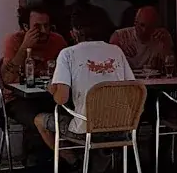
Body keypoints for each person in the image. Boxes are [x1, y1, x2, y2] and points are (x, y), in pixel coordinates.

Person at [36, 10, 136, 154]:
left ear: (74, 32)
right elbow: (131, 89)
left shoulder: (68, 54)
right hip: (121, 128)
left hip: (87, 130)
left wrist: (53, 89)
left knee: (40, 120)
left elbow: (61, 99)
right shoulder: (116, 51)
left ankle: (74, 163)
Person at [0, 6, 68, 145]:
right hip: (18, 99)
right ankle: (69, 159)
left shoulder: (57, 40)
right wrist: (24, 47)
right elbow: (7, 79)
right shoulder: (14, 41)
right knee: (39, 119)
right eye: (37, 27)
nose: (43, 31)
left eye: (46, 26)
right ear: (26, 27)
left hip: (50, 95)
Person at [110, 6, 174, 73]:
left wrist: (167, 47)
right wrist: (119, 52)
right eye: (142, 25)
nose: (144, 30)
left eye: (150, 26)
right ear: (135, 23)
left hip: (153, 81)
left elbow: (173, 70)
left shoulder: (161, 38)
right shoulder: (120, 36)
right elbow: (107, 67)